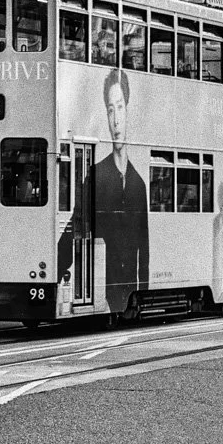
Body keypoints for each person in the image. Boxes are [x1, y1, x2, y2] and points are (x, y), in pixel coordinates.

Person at [91, 67, 148, 314]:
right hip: (102, 292)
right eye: (110, 110)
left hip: (129, 295)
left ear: (129, 110)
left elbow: (143, 252)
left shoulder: (139, 184)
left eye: (120, 107)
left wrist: (142, 295)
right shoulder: (96, 174)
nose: (115, 120)